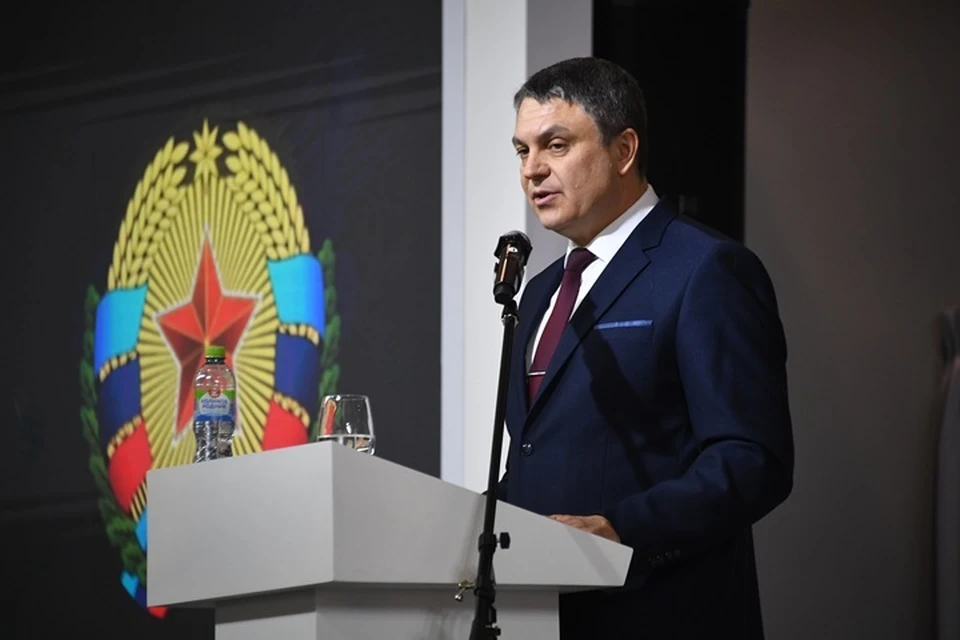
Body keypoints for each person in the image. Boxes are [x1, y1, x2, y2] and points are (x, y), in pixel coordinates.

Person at [497, 57, 794, 639]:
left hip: (660, 614)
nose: (533, 170)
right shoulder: (536, 294)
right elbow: (537, 459)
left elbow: (751, 459)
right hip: (539, 620)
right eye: (522, 151)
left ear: (624, 150)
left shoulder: (705, 269)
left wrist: (622, 531)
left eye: (555, 145)